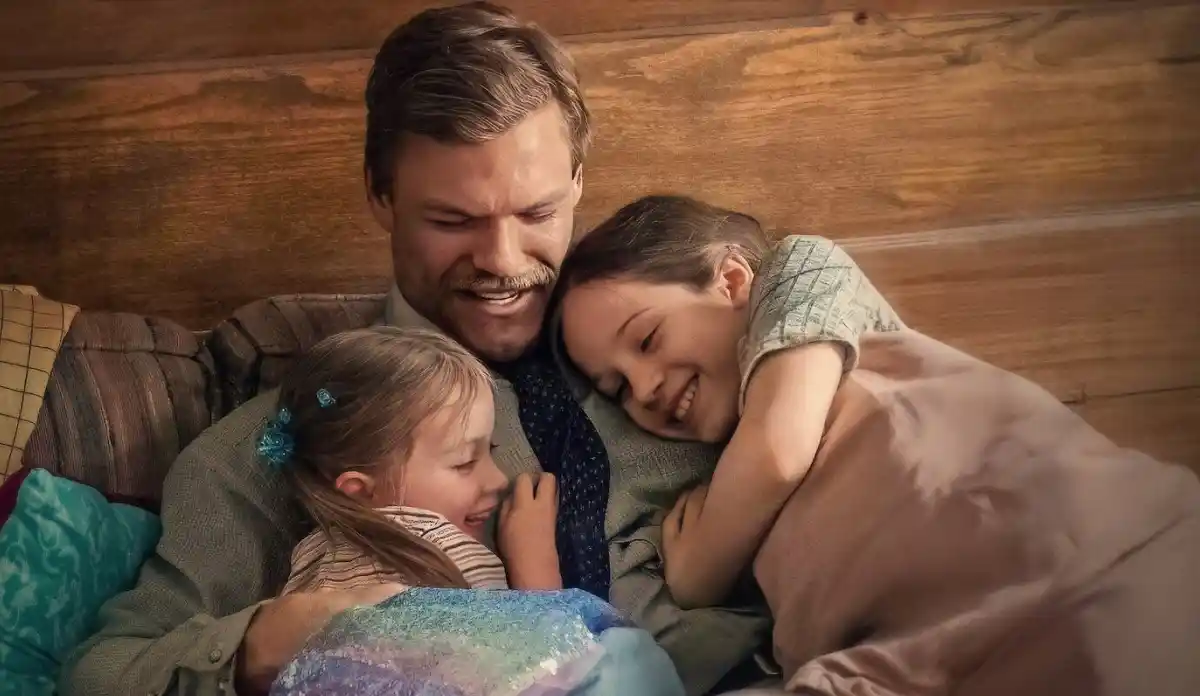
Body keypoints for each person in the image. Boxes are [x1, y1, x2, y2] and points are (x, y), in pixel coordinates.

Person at [59, 5, 895, 696]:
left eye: (536, 213)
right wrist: (275, 638)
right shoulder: (300, 433)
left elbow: (842, 320)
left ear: (578, 180)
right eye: (452, 220)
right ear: (381, 197)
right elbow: (102, 674)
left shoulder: (676, 351)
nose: (501, 261)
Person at [555, 194, 1200, 695]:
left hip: (1076, 560)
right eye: (617, 389)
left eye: (648, 340)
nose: (645, 388)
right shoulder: (705, 490)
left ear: (731, 280)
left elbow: (778, 451)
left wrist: (698, 569)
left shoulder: (801, 277)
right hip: (909, 656)